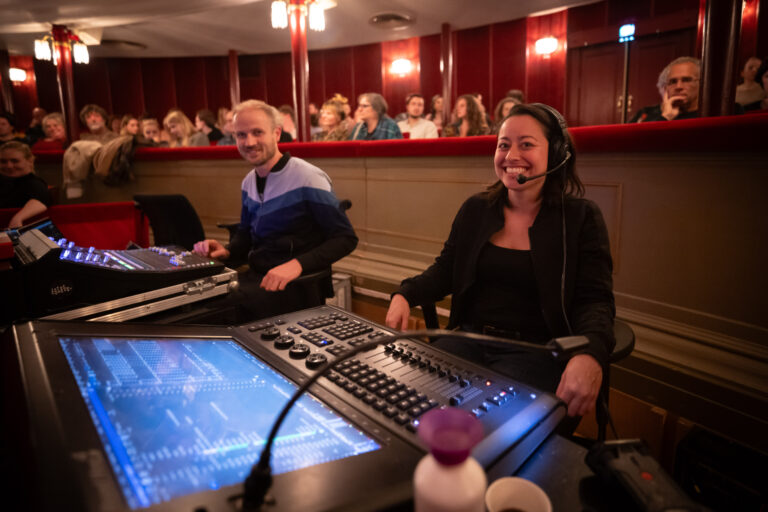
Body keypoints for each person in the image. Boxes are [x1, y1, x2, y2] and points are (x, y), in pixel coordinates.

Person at [385, 103, 615, 422]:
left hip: (538, 353)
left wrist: (591, 353)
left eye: (526, 144)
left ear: (558, 152)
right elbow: (446, 269)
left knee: (485, 429)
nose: (511, 155)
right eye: (503, 145)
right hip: (470, 340)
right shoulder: (476, 209)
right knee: (406, 405)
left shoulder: (581, 218)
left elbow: (595, 302)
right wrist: (405, 293)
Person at [193, 100, 357, 320]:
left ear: (277, 134)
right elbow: (245, 236)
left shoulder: (308, 177)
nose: (249, 142)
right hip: (258, 280)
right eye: (241, 135)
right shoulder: (248, 181)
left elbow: (345, 238)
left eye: (257, 132)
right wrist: (227, 251)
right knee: (193, 302)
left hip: (294, 288)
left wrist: (296, 265)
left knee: (205, 312)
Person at [631, 57, 704, 122]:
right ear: (665, 87)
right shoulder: (646, 113)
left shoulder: (708, 114)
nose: (678, 86)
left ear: (701, 83)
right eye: (673, 82)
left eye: (686, 80)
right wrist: (666, 117)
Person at [1, 141, 52, 228]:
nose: (9, 166)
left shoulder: (34, 183)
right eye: (3, 161)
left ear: (29, 161)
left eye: (15, 161)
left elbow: (41, 200)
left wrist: (18, 218)